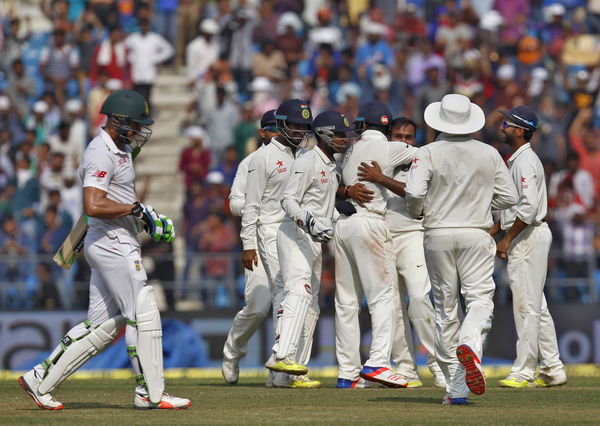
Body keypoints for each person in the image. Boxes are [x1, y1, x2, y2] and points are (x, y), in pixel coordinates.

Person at [18, 90, 190, 410]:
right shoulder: (101, 151)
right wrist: (137, 212)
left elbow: (116, 196)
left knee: (100, 327)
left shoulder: (120, 147)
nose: (139, 130)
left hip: (113, 240)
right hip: (112, 243)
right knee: (143, 312)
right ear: (116, 120)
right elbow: (93, 204)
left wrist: (142, 215)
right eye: (135, 124)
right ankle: (150, 393)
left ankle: (39, 378)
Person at [405, 94, 518, 405]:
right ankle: (468, 351)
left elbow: (414, 192)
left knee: (445, 310)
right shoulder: (489, 153)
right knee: (480, 301)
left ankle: (456, 389)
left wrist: (419, 210)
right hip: (476, 233)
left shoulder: (426, 153)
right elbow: (509, 198)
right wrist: (482, 203)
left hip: (437, 233)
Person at [265, 110, 353, 388]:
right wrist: (310, 221)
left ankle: (290, 374)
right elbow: (288, 201)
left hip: (314, 241)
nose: (344, 140)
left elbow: (325, 208)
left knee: (312, 306)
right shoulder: (307, 161)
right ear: (325, 134)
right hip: (294, 234)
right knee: (299, 292)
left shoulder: (333, 167)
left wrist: (340, 217)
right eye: (339, 134)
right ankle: (281, 355)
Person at [356, 117, 445, 388]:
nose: (403, 141)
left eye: (408, 137)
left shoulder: (422, 161)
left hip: (413, 235)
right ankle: (406, 367)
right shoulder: (377, 157)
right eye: (398, 136)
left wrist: (380, 178)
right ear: (388, 136)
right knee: (391, 307)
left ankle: (439, 364)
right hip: (381, 236)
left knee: (419, 298)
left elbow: (415, 194)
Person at [334, 102, 417, 389]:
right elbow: (429, 158)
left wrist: (345, 189)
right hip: (370, 222)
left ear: (362, 125)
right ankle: (378, 362)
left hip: (343, 224)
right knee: (383, 297)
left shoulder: (349, 149)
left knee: (346, 302)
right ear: (387, 128)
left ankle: (347, 373)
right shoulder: (391, 148)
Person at [240, 99, 315, 388]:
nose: (299, 131)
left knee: (298, 295)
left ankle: (281, 372)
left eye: (304, 127)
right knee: (287, 291)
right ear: (281, 124)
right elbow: (251, 205)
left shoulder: (306, 154)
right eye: (294, 125)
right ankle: (280, 363)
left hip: (298, 229)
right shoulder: (263, 158)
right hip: (269, 230)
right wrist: (248, 244)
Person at [492, 105, 567, 388]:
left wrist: (508, 238)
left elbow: (529, 206)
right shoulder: (518, 159)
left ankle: (524, 371)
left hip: (528, 236)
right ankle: (553, 367)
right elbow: (516, 206)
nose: (502, 127)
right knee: (537, 305)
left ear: (521, 131)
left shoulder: (525, 161)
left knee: (526, 306)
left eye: (508, 124)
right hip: (528, 233)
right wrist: (497, 229)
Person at [221, 110, 278, 384]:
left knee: (289, 306)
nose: (280, 133)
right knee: (257, 306)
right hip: (256, 239)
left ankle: (280, 369)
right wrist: (263, 206)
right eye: (274, 129)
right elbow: (234, 205)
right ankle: (233, 352)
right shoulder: (250, 163)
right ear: (263, 133)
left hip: (288, 241)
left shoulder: (301, 160)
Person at [125, 18, 174, 110]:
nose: (144, 28)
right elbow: (124, 49)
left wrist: (157, 59)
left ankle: (146, 116)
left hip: (149, 72)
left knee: (147, 97)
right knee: (136, 96)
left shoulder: (155, 38)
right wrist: (131, 59)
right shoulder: (133, 38)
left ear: (149, 27)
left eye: (145, 26)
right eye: (142, 26)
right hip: (136, 72)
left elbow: (169, 50)